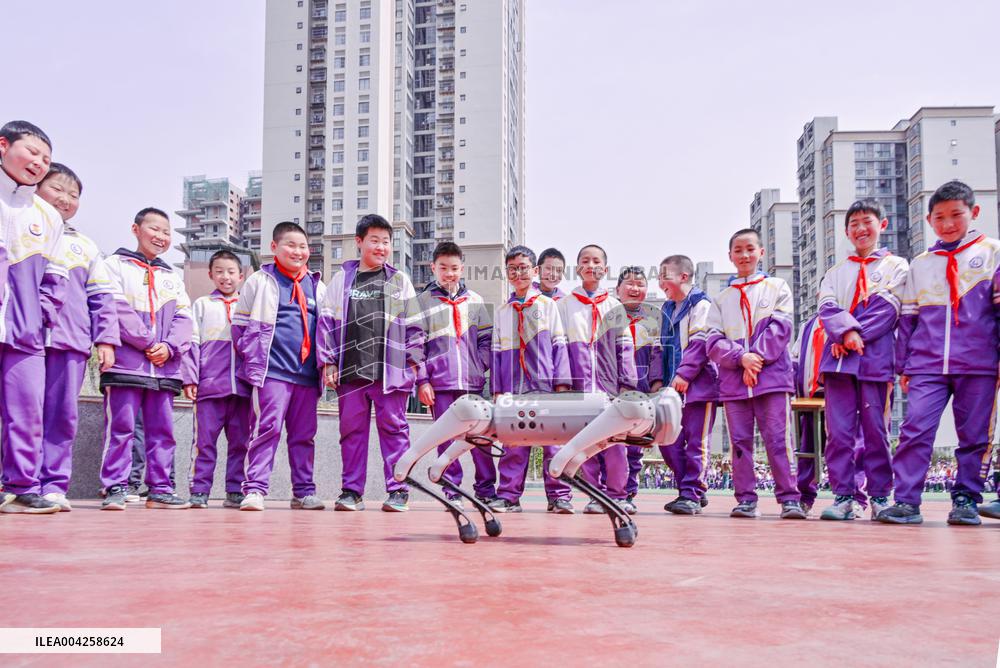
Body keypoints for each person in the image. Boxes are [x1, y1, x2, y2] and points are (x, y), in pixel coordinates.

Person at [880, 181, 1000, 526]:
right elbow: (908, 320)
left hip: (979, 363)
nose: (948, 224)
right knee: (915, 429)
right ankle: (905, 500)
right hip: (926, 364)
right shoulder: (921, 263)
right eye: (940, 217)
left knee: (975, 434)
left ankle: (965, 498)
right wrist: (903, 364)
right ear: (929, 220)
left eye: (956, 215)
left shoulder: (992, 253)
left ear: (974, 213)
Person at [318, 214, 421, 512]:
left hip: (389, 373)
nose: (381, 247)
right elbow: (327, 323)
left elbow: (414, 326)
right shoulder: (342, 279)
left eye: (386, 242)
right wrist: (328, 362)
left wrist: (413, 366)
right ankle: (351, 492)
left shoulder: (399, 280)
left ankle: (399, 490)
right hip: (351, 370)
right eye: (374, 240)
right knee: (351, 434)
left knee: (395, 432)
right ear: (359, 242)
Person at [816, 199, 908, 521]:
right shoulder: (834, 272)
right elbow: (826, 308)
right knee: (839, 433)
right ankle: (844, 496)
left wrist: (854, 335)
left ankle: (880, 496)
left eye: (866, 221)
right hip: (838, 362)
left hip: (874, 360)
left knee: (875, 431)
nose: (860, 229)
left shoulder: (896, 267)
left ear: (882, 225)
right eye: (853, 224)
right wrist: (842, 335)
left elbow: (889, 309)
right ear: (846, 231)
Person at [705, 229, 806, 519]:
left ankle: (789, 498)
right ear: (730, 256)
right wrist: (741, 359)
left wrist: (756, 360)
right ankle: (746, 499)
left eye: (750, 249)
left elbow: (781, 329)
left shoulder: (777, 287)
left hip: (772, 381)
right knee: (739, 443)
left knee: (778, 440)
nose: (744, 255)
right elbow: (713, 341)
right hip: (734, 384)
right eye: (738, 250)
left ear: (761, 252)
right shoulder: (721, 299)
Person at [36, 163, 119, 511]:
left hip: (69, 343)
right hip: (21, 339)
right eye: (57, 189)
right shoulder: (15, 229)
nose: (65, 199)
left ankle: (52, 485)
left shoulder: (83, 246)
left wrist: (105, 339)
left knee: (61, 415)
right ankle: (15, 480)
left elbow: (102, 298)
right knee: (18, 413)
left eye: (73, 195)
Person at [99, 207, 193, 510]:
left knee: (162, 431)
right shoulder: (114, 265)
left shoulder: (171, 276)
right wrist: (150, 341)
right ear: (136, 229)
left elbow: (184, 317)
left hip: (164, 368)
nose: (161, 237)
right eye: (154, 229)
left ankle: (161, 487)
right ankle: (116, 485)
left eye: (166, 232)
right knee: (121, 428)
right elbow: (114, 308)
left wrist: (170, 347)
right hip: (127, 364)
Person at [234, 222, 325, 511]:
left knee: (304, 436)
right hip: (272, 373)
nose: (298, 252)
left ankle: (303, 491)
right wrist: (254, 358)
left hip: (308, 377)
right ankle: (256, 489)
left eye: (303, 247)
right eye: (291, 245)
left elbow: (325, 329)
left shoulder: (317, 285)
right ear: (274, 247)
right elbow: (239, 327)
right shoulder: (260, 281)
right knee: (266, 429)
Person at [0, 120, 65, 514]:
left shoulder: (48, 216)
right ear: (3, 145)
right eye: (33, 152)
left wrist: (39, 317)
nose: (39, 163)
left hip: (25, 333)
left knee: (26, 411)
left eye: (46, 159)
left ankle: (22, 486)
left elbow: (55, 279)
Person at [489, 245, 572, 513]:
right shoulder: (503, 311)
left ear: (534, 271)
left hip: (545, 385)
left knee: (554, 444)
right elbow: (497, 353)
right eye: (512, 269)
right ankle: (509, 496)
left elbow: (560, 345)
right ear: (507, 273)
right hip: (514, 388)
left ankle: (559, 496)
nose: (518, 273)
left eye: (523, 268)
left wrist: (561, 384)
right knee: (513, 444)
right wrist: (498, 390)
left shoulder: (548, 306)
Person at [414, 241, 495, 506]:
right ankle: (452, 490)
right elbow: (415, 347)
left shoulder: (476, 300)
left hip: (472, 384)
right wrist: (423, 381)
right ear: (433, 268)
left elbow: (487, 340)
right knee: (446, 439)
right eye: (443, 268)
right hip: (440, 384)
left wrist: (478, 366)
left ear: (462, 268)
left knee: (480, 438)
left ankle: (485, 490)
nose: (449, 273)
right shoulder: (423, 302)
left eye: (454, 268)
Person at [559, 244, 638, 514]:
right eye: (585, 260)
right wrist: (564, 385)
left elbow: (625, 348)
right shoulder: (565, 306)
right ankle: (594, 495)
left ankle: (618, 494)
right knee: (586, 444)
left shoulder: (615, 306)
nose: (590, 265)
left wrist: (627, 386)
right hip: (580, 388)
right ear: (577, 267)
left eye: (596, 261)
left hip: (611, 390)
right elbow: (559, 348)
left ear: (604, 269)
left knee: (616, 444)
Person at [181, 250, 252, 509]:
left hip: (242, 390)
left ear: (241, 276)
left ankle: (235, 489)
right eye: (219, 271)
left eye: (231, 272)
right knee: (204, 443)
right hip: (210, 388)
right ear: (211, 275)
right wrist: (190, 379)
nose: (226, 277)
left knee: (241, 443)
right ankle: (199, 489)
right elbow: (192, 344)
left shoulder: (248, 306)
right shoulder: (201, 305)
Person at [659, 254, 719, 515]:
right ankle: (690, 489)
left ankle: (691, 492)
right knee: (667, 439)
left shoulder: (701, 304)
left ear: (683, 277)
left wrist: (684, 373)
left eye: (665, 276)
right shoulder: (667, 309)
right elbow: (660, 348)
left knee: (697, 440)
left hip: (699, 384)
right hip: (671, 387)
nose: (661, 282)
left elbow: (701, 343)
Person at [616, 266, 663, 508]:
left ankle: (628, 494)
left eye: (640, 284)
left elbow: (657, 355)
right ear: (618, 289)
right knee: (609, 443)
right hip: (613, 392)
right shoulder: (609, 316)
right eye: (629, 283)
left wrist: (656, 387)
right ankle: (608, 493)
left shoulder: (653, 320)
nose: (635, 288)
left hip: (642, 393)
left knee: (634, 446)